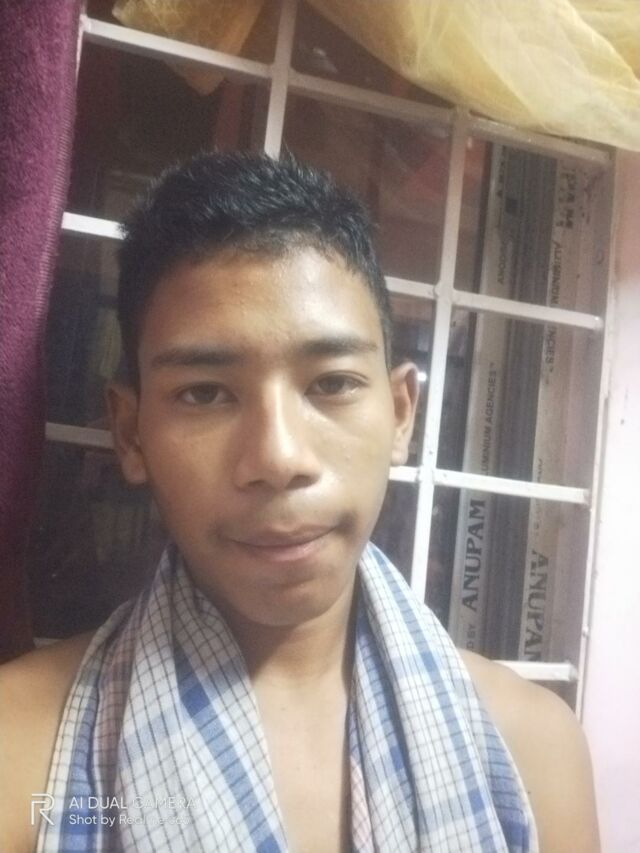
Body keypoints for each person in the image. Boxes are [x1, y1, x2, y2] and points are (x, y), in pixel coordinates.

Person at [0, 152, 599, 853]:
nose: (278, 458)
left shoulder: (532, 754)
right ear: (131, 434)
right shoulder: (25, 761)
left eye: (332, 383)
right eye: (204, 393)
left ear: (400, 413)